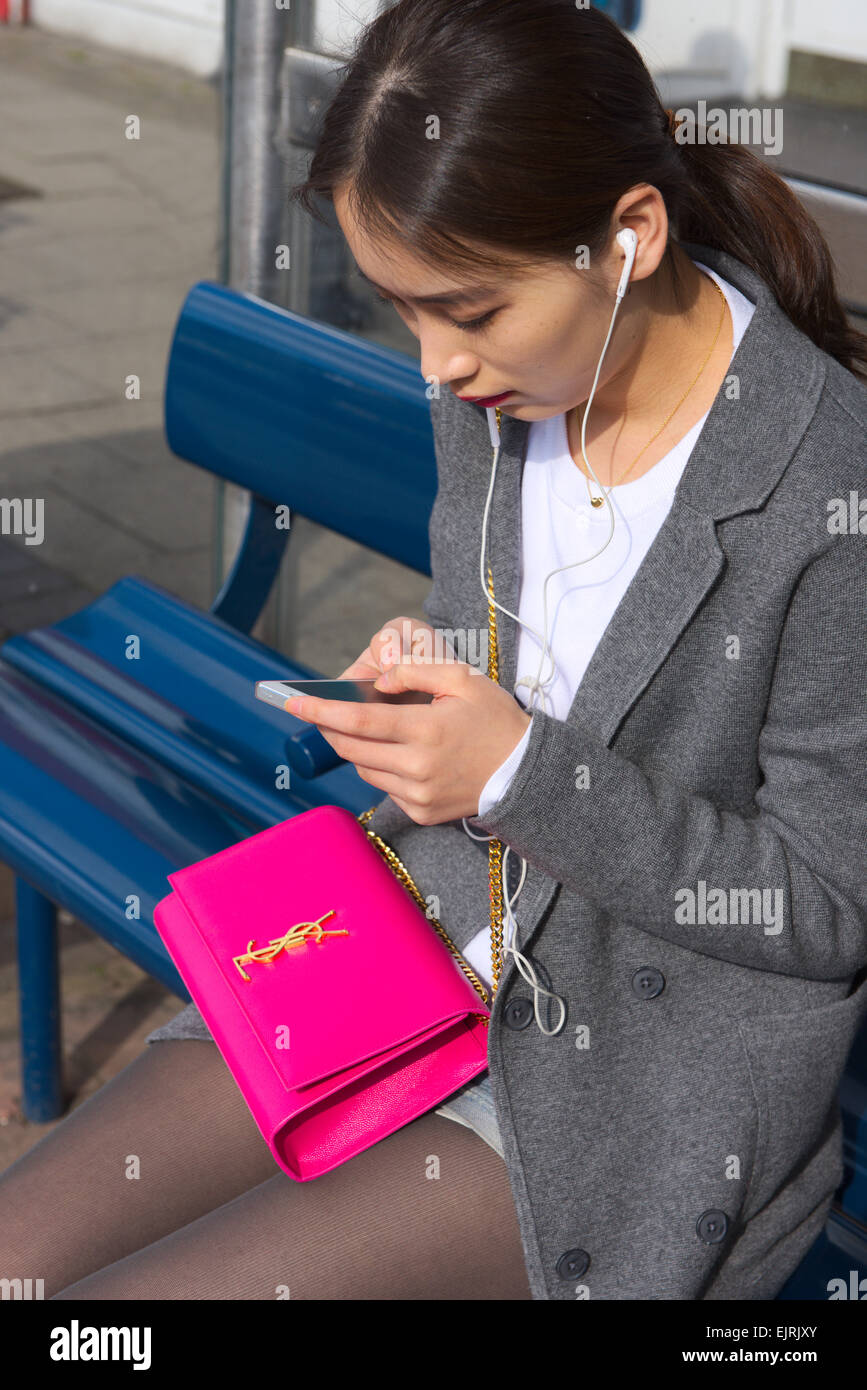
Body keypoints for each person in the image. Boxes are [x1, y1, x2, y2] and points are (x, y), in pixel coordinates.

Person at [2, 0, 865, 1301]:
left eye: (465, 309)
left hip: (640, 1057)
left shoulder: (827, 490)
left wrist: (515, 768)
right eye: (402, 311)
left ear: (630, 235)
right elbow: (531, 653)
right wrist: (435, 673)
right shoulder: (503, 393)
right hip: (410, 935)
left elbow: (825, 905)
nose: (436, 363)